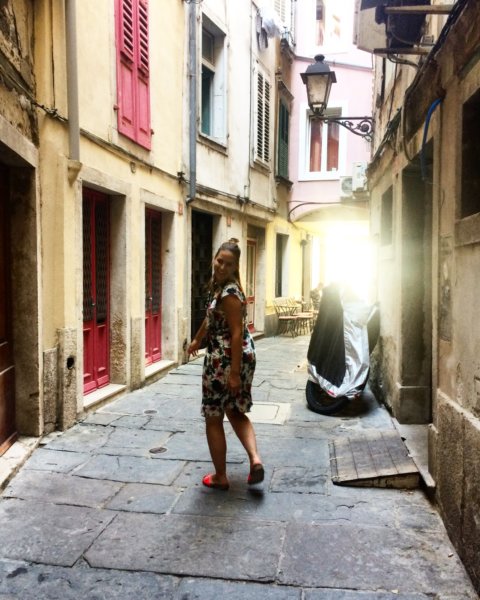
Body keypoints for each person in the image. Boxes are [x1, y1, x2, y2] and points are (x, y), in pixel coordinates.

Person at [188, 238, 264, 491]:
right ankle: (255, 460)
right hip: (233, 358)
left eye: (228, 264)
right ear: (214, 259)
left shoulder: (230, 293)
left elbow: (236, 333)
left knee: (214, 416)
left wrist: (234, 374)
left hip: (224, 360)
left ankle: (220, 476)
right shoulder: (220, 287)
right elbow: (211, 317)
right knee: (234, 410)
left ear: (235, 267)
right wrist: (197, 339)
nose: (222, 266)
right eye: (220, 261)